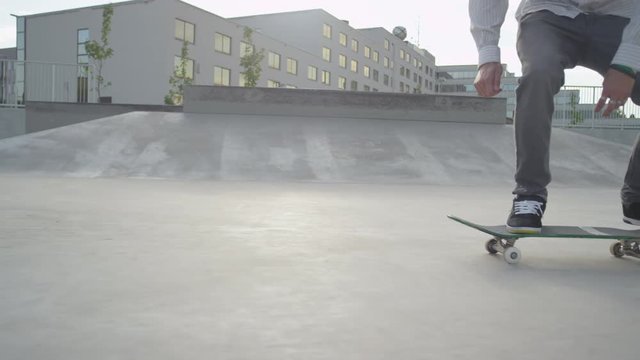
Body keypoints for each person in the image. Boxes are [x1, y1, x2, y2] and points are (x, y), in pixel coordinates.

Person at [469, 0, 640, 233]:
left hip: (624, 17)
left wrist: (627, 64)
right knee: (539, 73)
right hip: (548, 11)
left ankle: (636, 197)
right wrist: (487, 54)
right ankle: (529, 195)